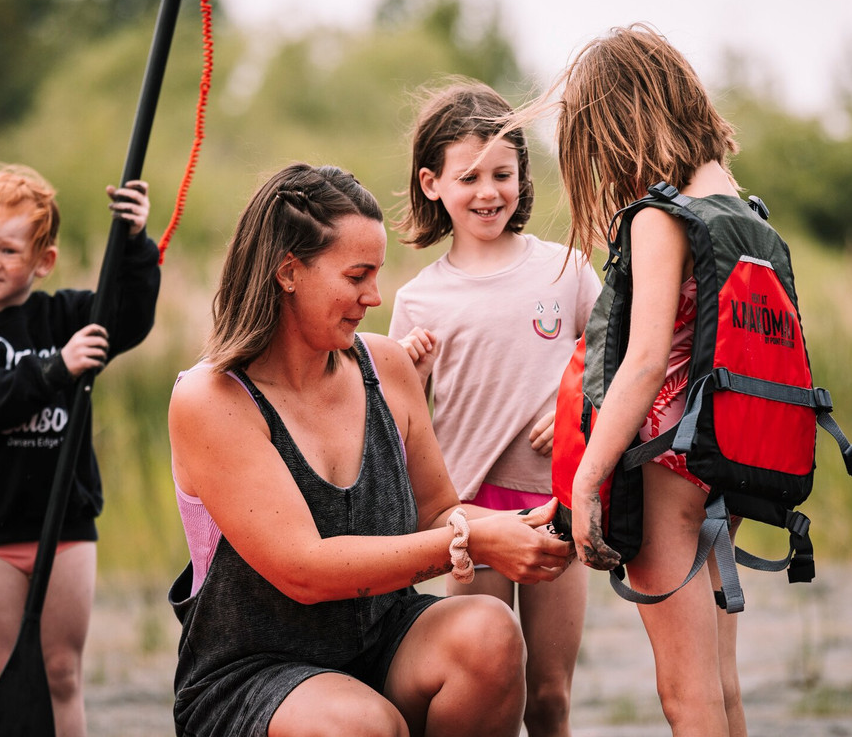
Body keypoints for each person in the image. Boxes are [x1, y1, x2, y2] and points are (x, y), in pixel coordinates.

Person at [166, 162, 573, 737]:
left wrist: (539, 526)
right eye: (357, 276)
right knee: (363, 724)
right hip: (253, 671)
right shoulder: (211, 400)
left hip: (384, 640)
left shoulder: (386, 365)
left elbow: (438, 512)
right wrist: (475, 542)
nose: (375, 298)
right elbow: (304, 570)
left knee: (490, 630)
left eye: (376, 275)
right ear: (288, 271)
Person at [548, 24, 748, 736]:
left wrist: (585, 480)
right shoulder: (737, 203)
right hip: (726, 449)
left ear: (618, 125)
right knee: (722, 685)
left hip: (668, 462)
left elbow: (643, 360)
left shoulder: (662, 215)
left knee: (686, 693)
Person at [388, 79, 601, 737]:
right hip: (468, 518)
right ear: (432, 184)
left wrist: (580, 406)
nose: (488, 192)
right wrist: (412, 375)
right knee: (491, 690)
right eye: (469, 177)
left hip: (556, 505)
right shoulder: (418, 300)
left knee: (550, 698)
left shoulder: (565, 269)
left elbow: (619, 356)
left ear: (522, 177)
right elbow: (396, 427)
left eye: (502, 174)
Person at [0, 162, 160, 736]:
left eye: (8, 250)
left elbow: (128, 316)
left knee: (62, 672)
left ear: (42, 261)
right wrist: (54, 370)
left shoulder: (64, 316)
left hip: (66, 527)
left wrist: (135, 243)